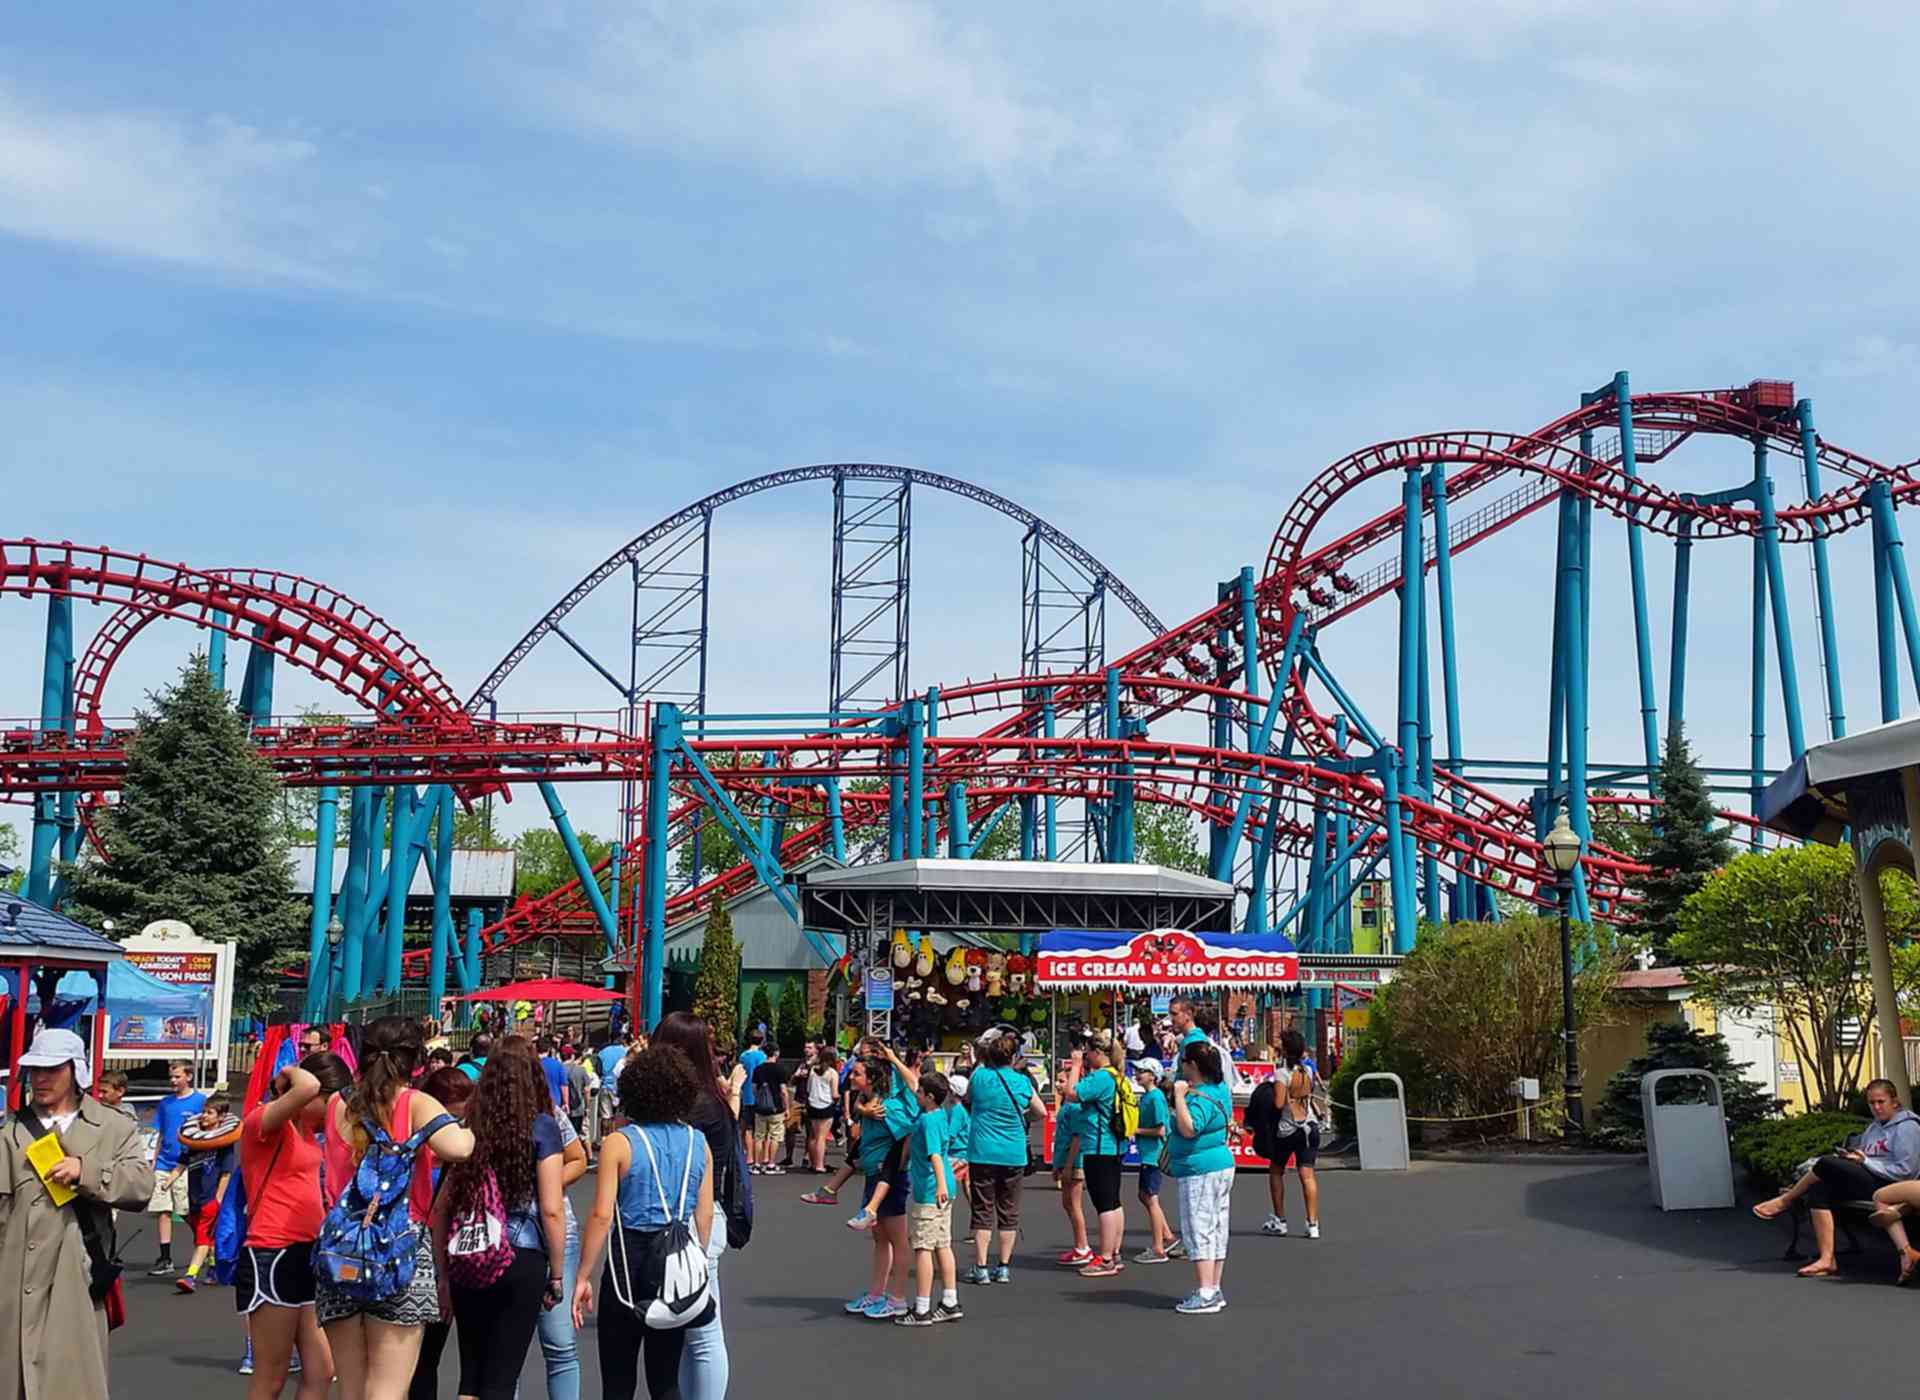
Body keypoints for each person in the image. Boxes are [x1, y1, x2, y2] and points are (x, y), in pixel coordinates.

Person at [318, 1015, 475, 1400]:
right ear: (416, 1061)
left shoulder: (338, 1104)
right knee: (388, 1388)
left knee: (352, 1388)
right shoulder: (415, 1103)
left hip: (341, 1247)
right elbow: (459, 1148)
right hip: (398, 1248)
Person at [0, 1026, 154, 1400]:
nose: (41, 1078)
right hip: (12, 1284)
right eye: (35, 1069)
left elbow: (140, 1186)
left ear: (76, 1070)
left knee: (72, 1384)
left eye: (52, 1069)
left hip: (76, 1280)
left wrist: (86, 1172)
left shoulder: (113, 1126)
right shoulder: (10, 1131)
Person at [430, 1036, 569, 1400]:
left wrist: (443, 1274)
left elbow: (441, 1208)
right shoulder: (542, 1127)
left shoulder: (468, 1128)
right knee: (502, 1377)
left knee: (471, 1375)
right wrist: (556, 1274)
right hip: (520, 1256)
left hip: (469, 1255)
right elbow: (552, 1208)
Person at [574, 1047, 717, 1400]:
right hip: (676, 1259)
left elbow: (602, 1214)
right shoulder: (698, 1142)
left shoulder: (619, 1143)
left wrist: (582, 1276)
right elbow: (706, 1212)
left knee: (618, 1379)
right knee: (665, 1378)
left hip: (629, 1261)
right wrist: (695, 1255)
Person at [240, 1051, 352, 1400]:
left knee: (322, 1370)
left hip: (307, 1251)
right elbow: (308, 1086)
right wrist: (288, 1073)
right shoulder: (265, 1123)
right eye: (330, 1102)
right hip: (271, 1251)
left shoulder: (305, 1134)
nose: (334, 1112)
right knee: (270, 1377)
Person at [651, 1011, 747, 1400]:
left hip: (690, 1221)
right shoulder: (712, 1100)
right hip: (701, 1218)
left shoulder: (692, 1103)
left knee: (702, 1332)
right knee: (695, 1333)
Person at [1753, 1078, 1920, 1275]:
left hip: (1891, 1186)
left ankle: (1786, 1199)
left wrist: (1865, 1162)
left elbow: (1905, 1171)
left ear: (1894, 1101)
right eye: (1871, 1103)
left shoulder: (1907, 1127)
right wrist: (1853, 1157)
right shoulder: (1874, 1128)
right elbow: (1865, 1154)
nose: (1876, 1107)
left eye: (1880, 1102)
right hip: (1870, 1179)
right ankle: (1827, 1260)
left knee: (1826, 1163)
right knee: (1819, 1189)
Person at [408, 1068, 474, 1400]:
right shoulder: (414, 1151)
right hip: (418, 1258)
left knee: (439, 1357)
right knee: (421, 1358)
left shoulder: (464, 1147)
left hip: (454, 1255)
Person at [963, 1030, 1043, 1285]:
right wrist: (1021, 1117)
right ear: (1013, 1057)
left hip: (982, 1151)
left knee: (982, 1208)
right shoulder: (1021, 1082)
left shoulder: (979, 1077)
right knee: (1009, 1210)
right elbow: (1040, 1112)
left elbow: (967, 1099)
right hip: (1013, 1152)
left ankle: (981, 1266)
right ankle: (1004, 1266)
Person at [843, 1049, 917, 1319]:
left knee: (897, 1239)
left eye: (857, 1073)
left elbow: (908, 1131)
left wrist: (898, 1167)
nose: (852, 1076)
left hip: (891, 1178)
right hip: (875, 1175)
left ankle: (897, 1298)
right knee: (879, 1237)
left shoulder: (889, 1107)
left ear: (873, 1078)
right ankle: (876, 1293)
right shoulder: (868, 1102)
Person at [1168, 1039, 1235, 1314]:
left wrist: (1180, 1097)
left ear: (1192, 1065)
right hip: (1218, 1165)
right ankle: (1213, 1287)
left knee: (1199, 1228)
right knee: (1217, 1227)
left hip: (1200, 1169)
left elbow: (1189, 1128)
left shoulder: (1200, 1096)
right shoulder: (1220, 1090)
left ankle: (1206, 1291)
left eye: (1183, 1062)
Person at [896, 1071, 962, 1326]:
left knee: (923, 1247)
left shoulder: (927, 1122)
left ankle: (921, 1307)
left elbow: (934, 1154)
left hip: (931, 1189)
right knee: (942, 1244)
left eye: (920, 1092)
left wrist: (940, 1186)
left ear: (929, 1097)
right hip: (945, 1186)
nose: (916, 1094)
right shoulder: (939, 1116)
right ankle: (949, 1301)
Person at [1055, 1046, 1127, 1277]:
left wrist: (1075, 1066)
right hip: (1115, 1144)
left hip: (1099, 1145)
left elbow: (1072, 1094)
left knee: (1104, 1204)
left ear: (1098, 1052)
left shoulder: (1101, 1077)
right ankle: (1113, 1253)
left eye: (1088, 1053)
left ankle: (1105, 1259)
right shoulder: (1117, 1075)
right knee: (1114, 1202)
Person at [148, 1058, 206, 1276]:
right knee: (162, 1209)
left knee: (185, 1211)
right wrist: (153, 1159)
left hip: (187, 1164)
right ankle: (165, 1257)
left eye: (177, 1076)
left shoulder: (200, 1101)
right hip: (164, 1162)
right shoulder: (165, 1103)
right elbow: (161, 1133)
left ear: (188, 1077)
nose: (173, 1080)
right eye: (171, 1077)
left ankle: (203, 1243)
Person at [176, 1093, 237, 1292]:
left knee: (202, 1238)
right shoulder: (194, 1141)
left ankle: (190, 1276)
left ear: (221, 1117)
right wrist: (167, 1181)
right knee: (205, 1237)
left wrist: (218, 1198)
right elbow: (181, 1164)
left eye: (209, 1113)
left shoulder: (224, 1144)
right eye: (204, 1112)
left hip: (211, 1199)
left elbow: (226, 1173)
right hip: (194, 1197)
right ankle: (213, 1268)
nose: (204, 1116)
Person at [1269, 1029, 1323, 1239]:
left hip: (1288, 1128)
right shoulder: (1307, 1072)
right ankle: (1313, 1224)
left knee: (1276, 1170)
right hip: (1309, 1126)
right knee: (1307, 1175)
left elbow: (1278, 1103)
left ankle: (1280, 1219)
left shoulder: (1282, 1074)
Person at [1131, 1059, 1177, 1264]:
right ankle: (1167, 1236)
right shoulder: (1148, 1097)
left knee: (1150, 1197)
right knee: (1145, 1195)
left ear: (1153, 1076)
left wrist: (1136, 1131)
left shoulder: (1155, 1097)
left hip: (1154, 1154)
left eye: (1142, 1071)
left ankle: (1158, 1248)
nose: (1137, 1073)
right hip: (1148, 1153)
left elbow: (1160, 1130)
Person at [1051, 1069, 1090, 1268]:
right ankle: (1079, 1245)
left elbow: (1076, 1137)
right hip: (1065, 1160)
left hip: (1074, 1162)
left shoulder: (1074, 1108)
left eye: (1061, 1081)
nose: (1058, 1085)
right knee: (1068, 1204)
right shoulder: (1066, 1106)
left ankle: (1083, 1246)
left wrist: (1067, 1166)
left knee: (1074, 1205)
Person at [747, 1044, 788, 1175]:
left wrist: (758, 1100)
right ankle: (771, 1164)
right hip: (776, 1108)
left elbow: (753, 1089)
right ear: (776, 1053)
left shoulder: (758, 1069)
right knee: (775, 1136)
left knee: (759, 1136)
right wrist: (786, 1107)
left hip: (760, 1108)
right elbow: (783, 1091)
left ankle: (756, 1164)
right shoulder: (780, 1069)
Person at [805, 1048, 841, 1173]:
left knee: (812, 1136)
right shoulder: (832, 1073)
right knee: (822, 1137)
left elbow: (808, 1088)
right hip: (826, 1106)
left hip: (812, 1104)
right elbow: (835, 1093)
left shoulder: (813, 1071)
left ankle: (812, 1162)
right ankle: (820, 1165)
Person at [539, 1035, 572, 1118]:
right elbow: (564, 1085)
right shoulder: (557, 1065)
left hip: (537, 1104)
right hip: (555, 1104)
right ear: (549, 1049)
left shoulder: (532, 1064)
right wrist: (566, 1103)